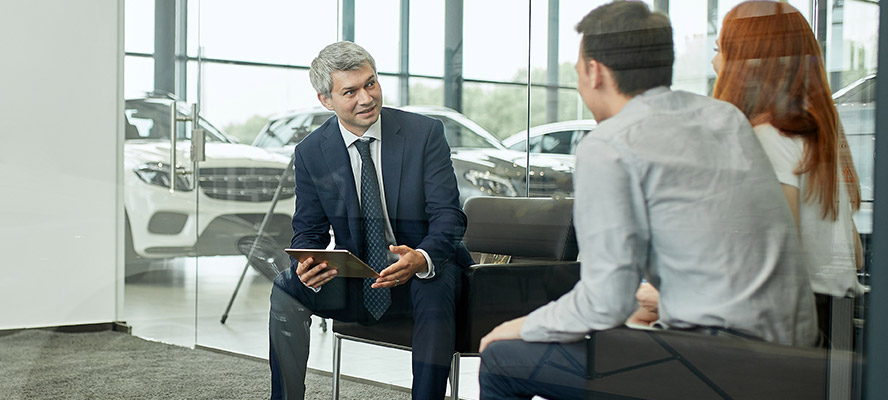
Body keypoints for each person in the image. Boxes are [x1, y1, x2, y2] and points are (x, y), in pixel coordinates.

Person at [477, 2, 817, 399]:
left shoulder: (611, 144)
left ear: (595, 72)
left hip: (714, 365)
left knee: (502, 357)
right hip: (795, 354)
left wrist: (516, 327)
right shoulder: (724, 118)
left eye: (577, 73)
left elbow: (604, 302)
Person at [268, 41, 473, 400]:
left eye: (371, 83)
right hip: (359, 277)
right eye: (350, 91)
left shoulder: (424, 134)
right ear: (326, 100)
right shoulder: (312, 151)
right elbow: (309, 230)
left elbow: (449, 217)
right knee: (287, 287)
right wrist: (307, 266)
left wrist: (421, 258)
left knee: (434, 284)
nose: (366, 98)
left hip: (424, 271)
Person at [712, 0, 865, 343]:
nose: (714, 62)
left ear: (746, 64)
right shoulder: (816, 138)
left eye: (721, 50)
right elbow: (852, 253)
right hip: (832, 317)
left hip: (791, 324)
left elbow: (773, 261)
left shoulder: (767, 138)